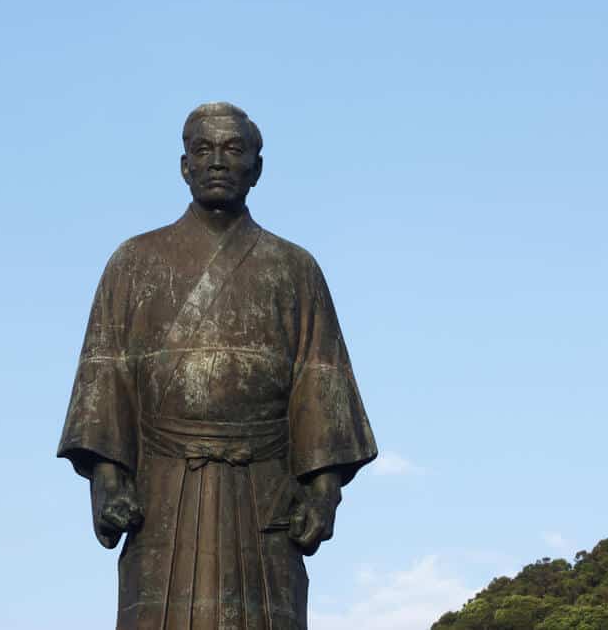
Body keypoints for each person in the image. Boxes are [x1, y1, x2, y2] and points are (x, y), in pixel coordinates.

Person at [58, 102, 376, 629]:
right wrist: (109, 483)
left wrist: (323, 494)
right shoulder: (134, 262)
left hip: (264, 488)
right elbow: (104, 375)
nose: (217, 162)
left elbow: (321, 380)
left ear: (257, 166)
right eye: (203, 150)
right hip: (163, 488)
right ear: (184, 165)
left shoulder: (294, 268)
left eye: (233, 149)